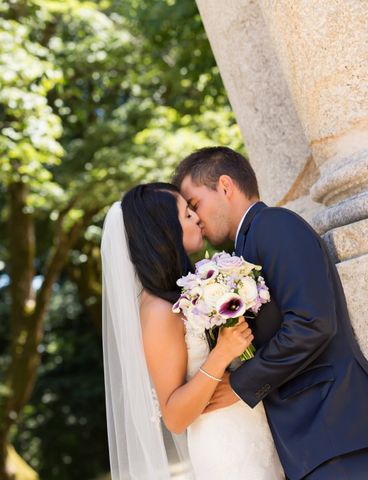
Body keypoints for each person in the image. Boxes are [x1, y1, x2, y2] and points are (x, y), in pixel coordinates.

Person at [172, 146, 368, 479]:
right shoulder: (242, 249)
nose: (196, 220)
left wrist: (240, 384)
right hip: (311, 441)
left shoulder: (275, 226)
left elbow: (312, 323)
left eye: (195, 205)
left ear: (224, 185)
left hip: (335, 425)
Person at [101, 182, 283, 479]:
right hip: (227, 449)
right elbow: (174, 416)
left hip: (253, 428)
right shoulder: (159, 310)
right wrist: (222, 353)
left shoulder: (188, 290)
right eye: (187, 214)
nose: (197, 218)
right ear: (165, 231)